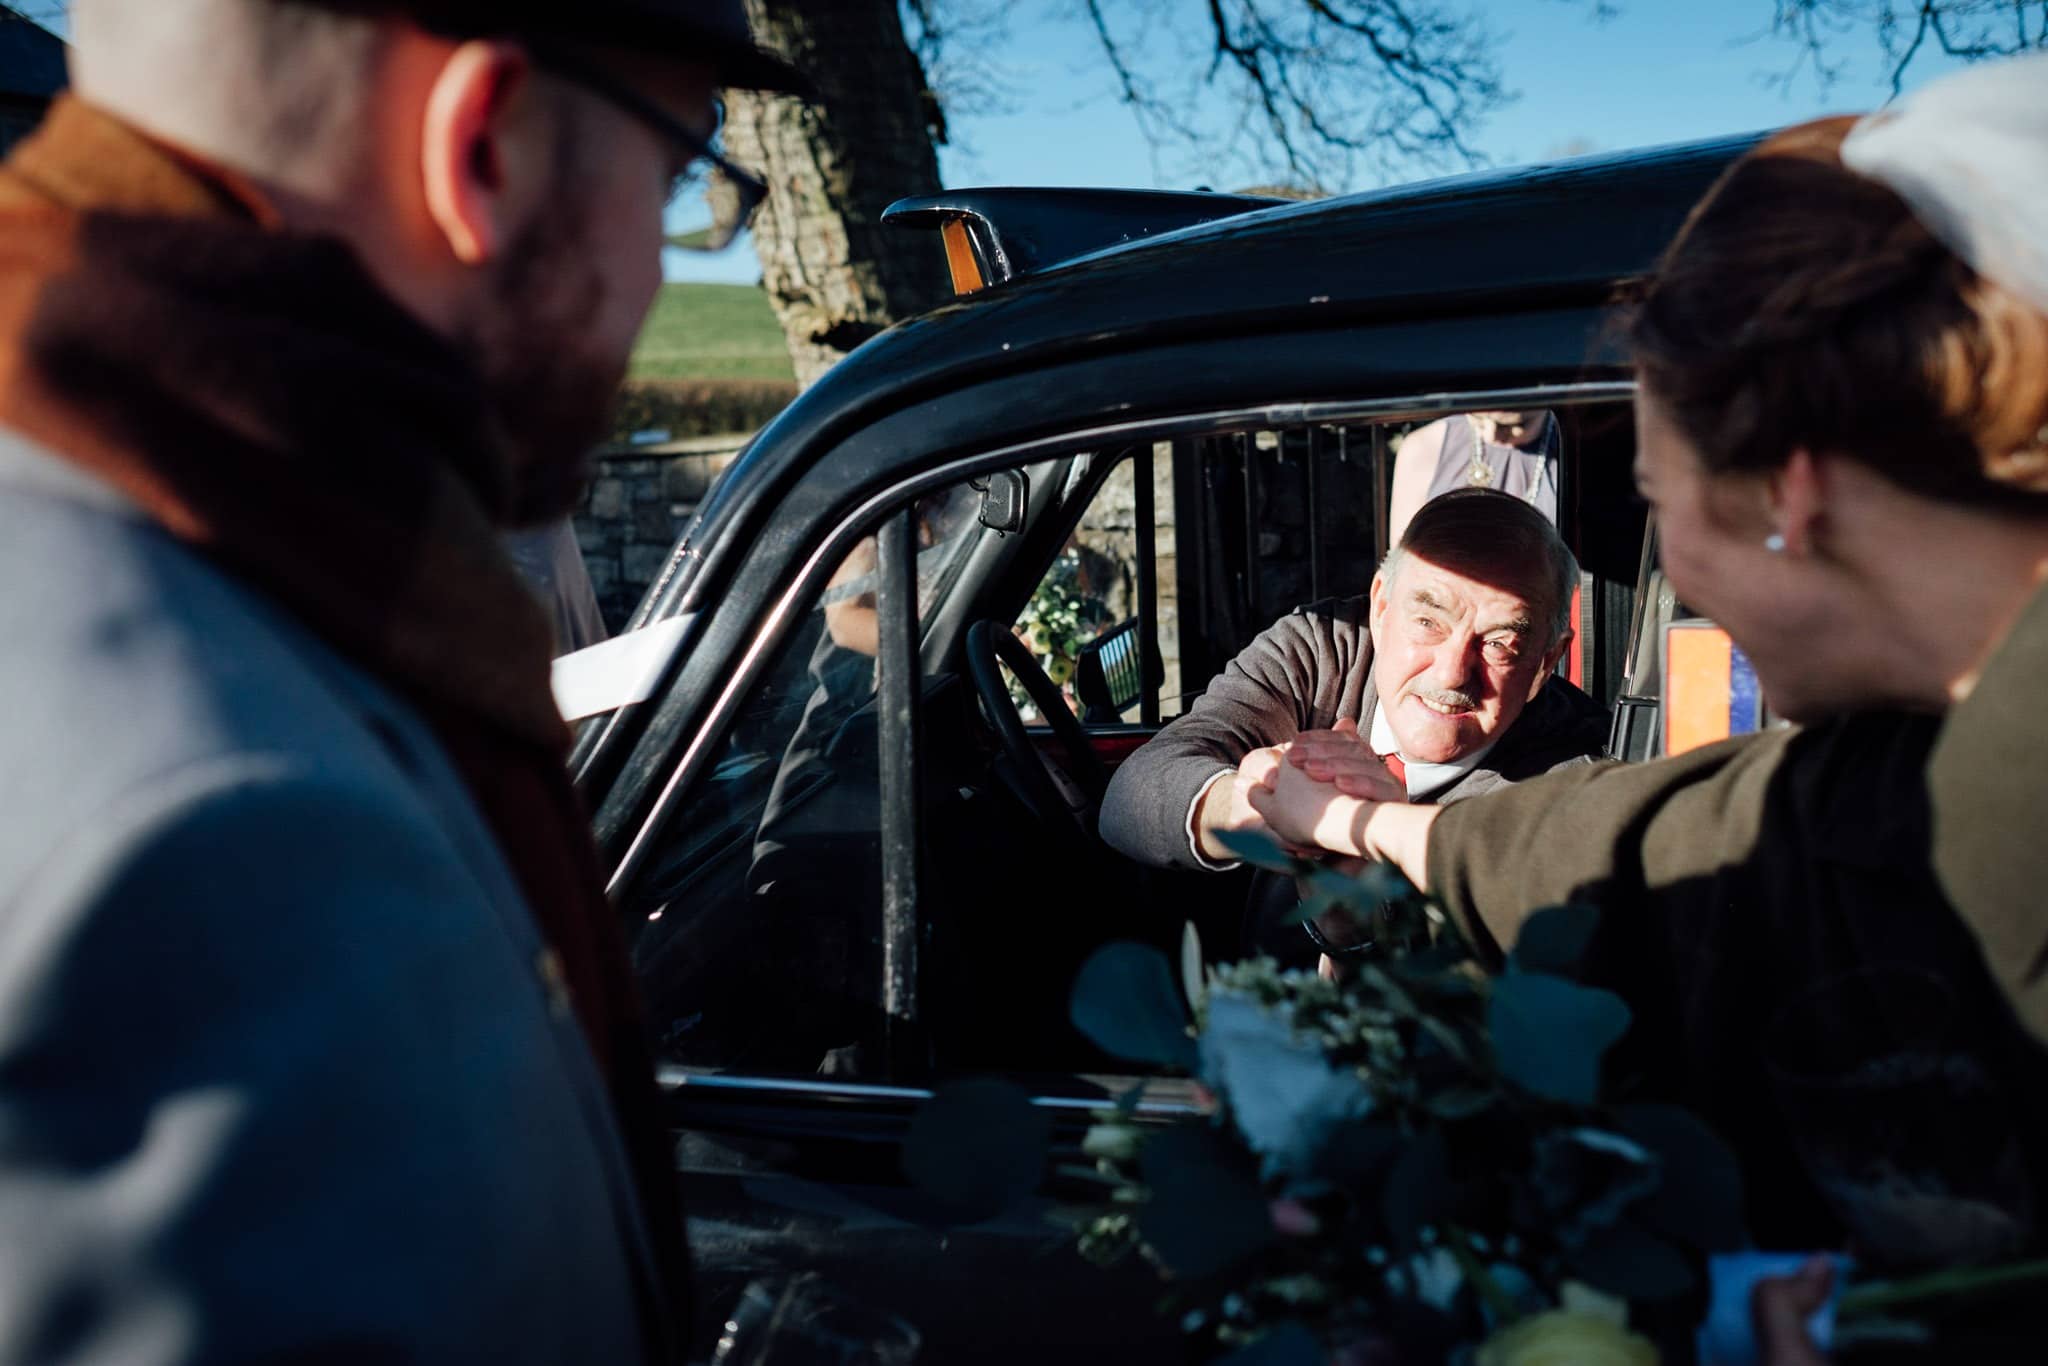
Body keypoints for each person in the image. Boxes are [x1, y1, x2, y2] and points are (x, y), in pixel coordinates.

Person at [0, 1, 805, 1360]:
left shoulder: (244, 578)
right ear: (482, 145)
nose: (661, 272)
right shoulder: (228, 825)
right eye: (677, 180)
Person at [1249, 54, 2048, 1258]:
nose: (1672, 560)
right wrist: (1352, 822)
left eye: (1656, 498)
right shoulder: (1918, 767)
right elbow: (1646, 842)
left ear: (1785, 491)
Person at [1099, 489, 1608, 923]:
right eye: (1428, 622)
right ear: (1380, 607)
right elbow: (1129, 798)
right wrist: (1261, 806)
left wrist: (1357, 830)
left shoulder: (1574, 781)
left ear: (1546, 662)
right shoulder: (1322, 651)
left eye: (1499, 644)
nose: (1453, 672)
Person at [1386, 409, 1561, 547]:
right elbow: (1402, 558)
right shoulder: (1425, 448)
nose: (1491, 434)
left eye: (1516, 426)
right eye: (1478, 419)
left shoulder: (1569, 448)